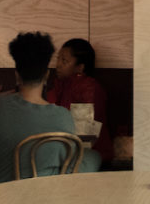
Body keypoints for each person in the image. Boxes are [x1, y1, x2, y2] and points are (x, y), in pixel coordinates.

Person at [0, 32, 98, 187]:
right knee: (92, 158)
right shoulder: (62, 116)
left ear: (17, 76)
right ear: (46, 76)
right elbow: (68, 159)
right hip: (38, 199)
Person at [46, 38, 112, 167]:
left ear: (80, 67)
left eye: (64, 61)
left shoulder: (88, 88)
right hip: (69, 152)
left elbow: (85, 136)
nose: (57, 64)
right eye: (58, 59)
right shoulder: (61, 85)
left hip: (90, 155)